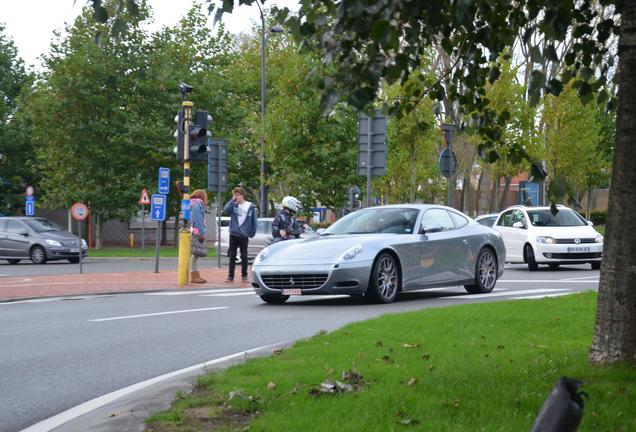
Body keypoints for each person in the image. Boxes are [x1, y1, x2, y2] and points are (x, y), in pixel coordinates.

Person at [223, 186, 257, 282]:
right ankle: (230, 276)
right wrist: (232, 200)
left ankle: (244, 276)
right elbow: (226, 210)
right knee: (232, 256)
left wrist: (252, 231)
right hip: (234, 233)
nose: (236, 197)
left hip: (244, 234)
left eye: (237, 195)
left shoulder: (250, 206)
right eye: (235, 195)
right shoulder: (233, 205)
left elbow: (254, 220)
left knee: (244, 256)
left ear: (242, 195)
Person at [189, 189, 208, 284]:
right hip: (197, 231)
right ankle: (194, 275)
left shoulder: (193, 203)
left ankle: (195, 275)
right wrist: (202, 232)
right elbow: (198, 219)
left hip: (194, 230)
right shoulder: (198, 204)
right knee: (195, 253)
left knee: (195, 254)